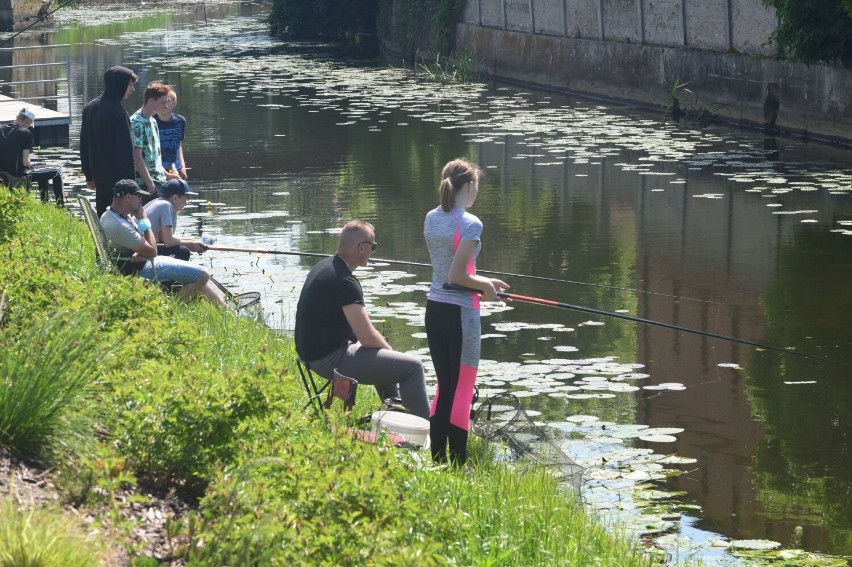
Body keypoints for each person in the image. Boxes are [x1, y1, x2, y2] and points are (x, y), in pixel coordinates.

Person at [294, 220, 430, 419]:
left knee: (382, 353)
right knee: (413, 367)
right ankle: (423, 432)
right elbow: (366, 337)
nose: (372, 252)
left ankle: (394, 411)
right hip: (327, 358)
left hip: (311, 352)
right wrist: (390, 353)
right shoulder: (345, 281)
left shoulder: (324, 267)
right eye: (372, 247)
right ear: (361, 248)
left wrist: (385, 352)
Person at [423, 158, 509, 466]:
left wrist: (485, 283)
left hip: (435, 309)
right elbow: (457, 276)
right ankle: (458, 466)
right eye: (478, 186)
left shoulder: (431, 218)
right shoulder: (471, 223)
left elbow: (451, 270)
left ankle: (438, 461)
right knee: (462, 389)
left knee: (444, 385)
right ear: (470, 186)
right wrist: (485, 287)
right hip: (460, 315)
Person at [100, 179, 225, 306]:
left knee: (198, 274)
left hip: (137, 261)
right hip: (142, 268)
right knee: (203, 274)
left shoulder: (114, 215)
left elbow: (143, 240)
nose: (141, 201)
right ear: (128, 197)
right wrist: (144, 220)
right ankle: (171, 309)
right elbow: (153, 251)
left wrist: (139, 250)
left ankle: (227, 312)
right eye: (138, 196)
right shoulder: (119, 224)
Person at [80, 65, 139, 217]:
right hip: (118, 182)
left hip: (99, 178)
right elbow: (125, 154)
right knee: (118, 224)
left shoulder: (90, 107)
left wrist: (89, 175)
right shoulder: (119, 114)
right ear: (118, 84)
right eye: (129, 84)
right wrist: (131, 188)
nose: (132, 89)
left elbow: (84, 145)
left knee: (103, 220)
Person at [0, 107, 64, 204]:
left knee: (42, 169)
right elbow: (25, 162)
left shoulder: (1, 129)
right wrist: (29, 159)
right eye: (30, 123)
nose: (29, 126)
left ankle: (45, 202)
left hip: (3, 173)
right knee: (56, 171)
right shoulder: (25, 133)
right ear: (26, 120)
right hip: (20, 175)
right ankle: (60, 205)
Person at [131, 81, 178, 201]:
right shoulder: (137, 122)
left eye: (168, 102)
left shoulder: (153, 121)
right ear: (151, 101)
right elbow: (137, 157)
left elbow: (154, 156)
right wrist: (150, 184)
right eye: (163, 102)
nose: (166, 106)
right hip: (145, 183)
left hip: (159, 180)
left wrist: (167, 175)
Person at [143, 178, 207, 261]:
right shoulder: (166, 205)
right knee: (183, 251)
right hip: (137, 248)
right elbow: (168, 241)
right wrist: (190, 244)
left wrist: (192, 240)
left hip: (138, 245)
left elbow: (163, 238)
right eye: (185, 199)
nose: (186, 203)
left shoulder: (159, 202)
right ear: (175, 198)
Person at [154, 86, 188, 180]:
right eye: (162, 101)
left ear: (174, 103)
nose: (165, 104)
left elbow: (179, 145)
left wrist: (183, 167)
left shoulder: (180, 121)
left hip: (175, 167)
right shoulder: (151, 121)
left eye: (168, 100)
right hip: (157, 168)